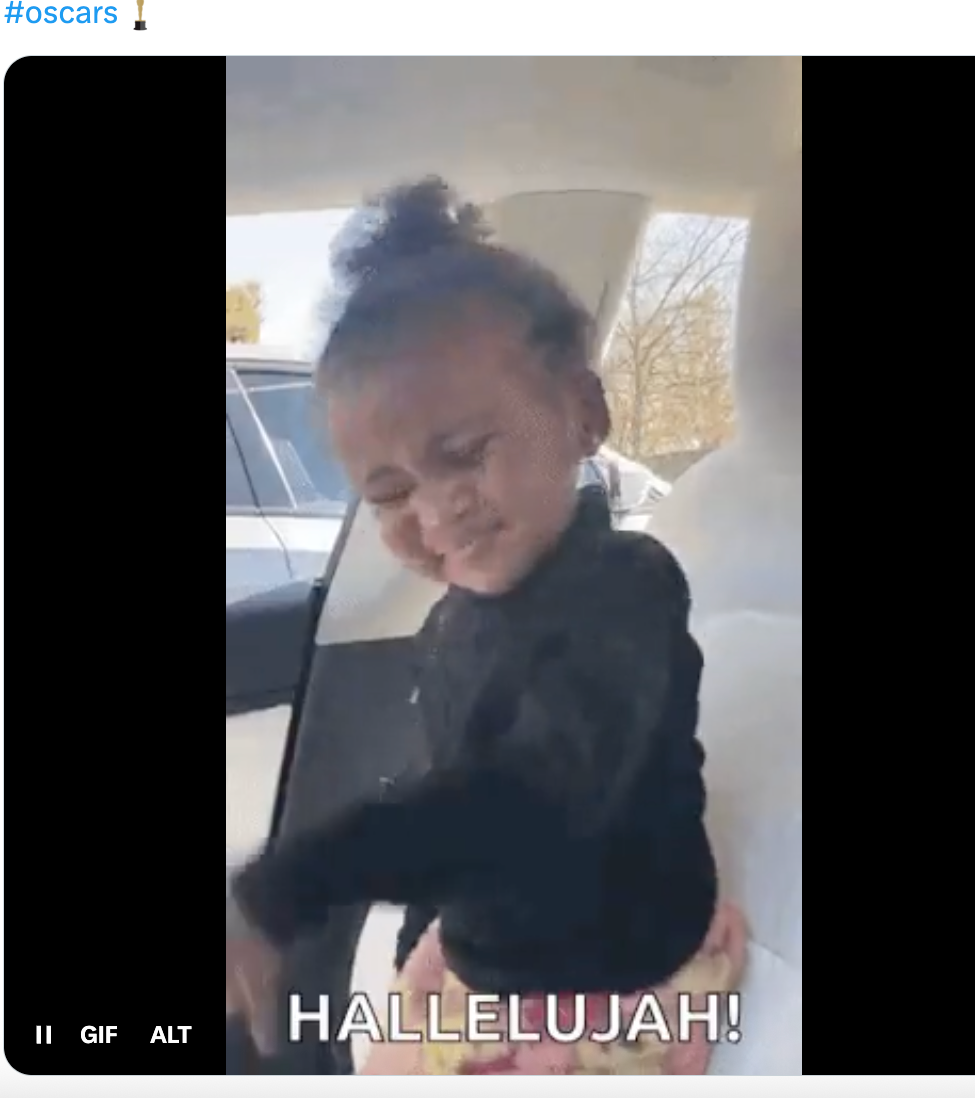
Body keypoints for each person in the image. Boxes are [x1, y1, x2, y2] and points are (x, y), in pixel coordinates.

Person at [226, 177, 746, 1074]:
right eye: (390, 493)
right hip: (493, 956)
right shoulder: (456, 618)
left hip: (609, 987)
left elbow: (526, 805)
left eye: (464, 454)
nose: (435, 511)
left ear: (584, 414)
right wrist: (423, 943)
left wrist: (295, 882)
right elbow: (456, 781)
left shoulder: (626, 591)